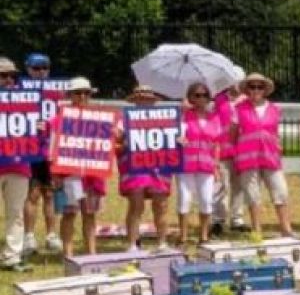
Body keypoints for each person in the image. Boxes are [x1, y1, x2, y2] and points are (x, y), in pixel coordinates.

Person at [231, 72, 294, 237]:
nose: (256, 90)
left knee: (281, 191)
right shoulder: (238, 109)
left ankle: (286, 229)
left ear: (265, 89)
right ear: (247, 90)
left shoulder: (274, 109)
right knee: (253, 195)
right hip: (247, 157)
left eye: (260, 86)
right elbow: (233, 135)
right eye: (252, 86)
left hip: (270, 156)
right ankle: (256, 230)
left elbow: (275, 133)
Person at [54, 77, 108, 257]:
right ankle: (68, 254)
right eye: (78, 92)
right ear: (70, 95)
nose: (83, 96)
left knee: (90, 214)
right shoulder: (60, 118)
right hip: (70, 174)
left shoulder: (100, 119)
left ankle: (91, 253)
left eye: (87, 92)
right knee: (69, 214)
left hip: (93, 174)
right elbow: (53, 147)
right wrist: (55, 173)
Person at [117, 85, 173, 250]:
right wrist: (123, 143)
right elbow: (116, 145)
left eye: (148, 99)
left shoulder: (165, 119)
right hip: (135, 166)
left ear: (153, 101)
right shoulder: (124, 120)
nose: (144, 101)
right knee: (136, 204)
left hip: (159, 166)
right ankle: (132, 243)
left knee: (161, 204)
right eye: (141, 98)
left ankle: (163, 242)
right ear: (135, 101)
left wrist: (179, 142)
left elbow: (173, 141)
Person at [21, 52, 59, 256]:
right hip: (32, 149)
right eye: (36, 68)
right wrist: (29, 123)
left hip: (51, 149)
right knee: (32, 194)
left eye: (45, 68)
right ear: (28, 69)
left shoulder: (57, 92)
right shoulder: (19, 92)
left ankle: (52, 235)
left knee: (50, 193)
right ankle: (28, 236)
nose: (41, 72)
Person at [176, 82, 222, 245]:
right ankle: (183, 236)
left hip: (206, 164)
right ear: (190, 98)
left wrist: (216, 165)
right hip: (186, 164)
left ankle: (204, 235)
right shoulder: (183, 116)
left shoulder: (214, 118)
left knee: (206, 199)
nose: (200, 98)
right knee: (184, 198)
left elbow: (217, 143)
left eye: (204, 95)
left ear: (209, 98)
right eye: (196, 95)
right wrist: (179, 138)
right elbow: (176, 135)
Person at [1, 57, 32, 272]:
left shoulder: (27, 102)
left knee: (16, 213)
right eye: (3, 75)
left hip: (19, 165)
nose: (9, 79)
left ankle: (11, 257)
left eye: (12, 75)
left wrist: (40, 125)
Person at [211, 82, 246, 235]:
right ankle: (218, 219)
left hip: (242, 150)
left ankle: (237, 219)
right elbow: (213, 121)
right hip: (222, 148)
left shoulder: (247, 99)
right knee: (220, 185)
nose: (236, 84)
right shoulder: (219, 100)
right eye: (233, 80)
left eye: (239, 81)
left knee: (239, 187)